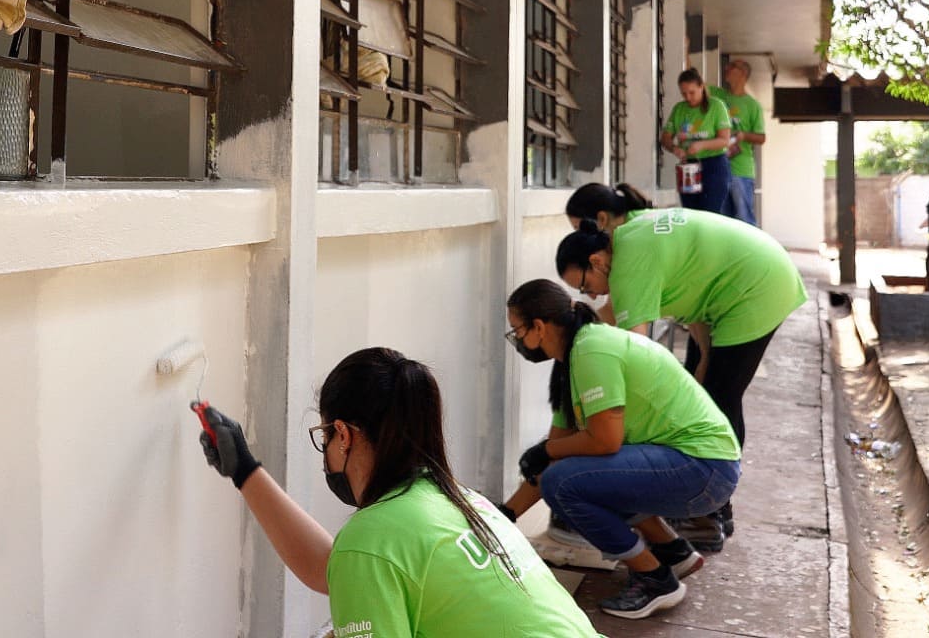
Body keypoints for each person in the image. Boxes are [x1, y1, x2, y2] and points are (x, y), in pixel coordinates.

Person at [194, 347, 602, 637]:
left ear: (342, 434)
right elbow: (332, 569)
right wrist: (245, 471)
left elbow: (359, 560)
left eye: (324, 435)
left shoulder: (374, 538)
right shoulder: (457, 500)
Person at [554, 210, 807, 550]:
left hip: (755, 286)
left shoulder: (628, 270)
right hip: (749, 272)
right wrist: (703, 358)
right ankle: (709, 509)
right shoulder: (629, 237)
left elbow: (636, 355)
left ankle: (709, 516)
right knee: (705, 391)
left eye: (585, 286)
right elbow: (694, 280)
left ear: (597, 262)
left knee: (721, 399)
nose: (593, 296)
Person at [499, 279, 740, 620]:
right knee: (571, 476)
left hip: (703, 468)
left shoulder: (592, 352)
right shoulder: (575, 355)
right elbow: (556, 454)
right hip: (703, 464)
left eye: (518, 331)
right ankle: (673, 552)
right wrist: (505, 516)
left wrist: (547, 450)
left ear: (539, 327)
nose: (518, 341)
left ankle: (655, 580)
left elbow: (603, 442)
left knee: (564, 485)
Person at [661, 69, 732, 214]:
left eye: (692, 92)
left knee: (711, 212)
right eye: (684, 93)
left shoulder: (717, 106)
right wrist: (674, 148)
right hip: (688, 165)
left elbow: (725, 140)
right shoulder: (679, 109)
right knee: (690, 212)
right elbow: (665, 138)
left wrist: (702, 145)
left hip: (714, 164)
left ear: (701, 87)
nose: (688, 97)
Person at [714, 58, 766, 226]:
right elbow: (696, 82)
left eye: (732, 66)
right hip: (719, 169)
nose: (727, 68)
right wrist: (686, 49)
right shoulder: (719, 96)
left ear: (743, 73)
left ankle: (751, 244)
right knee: (723, 221)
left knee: (744, 218)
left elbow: (761, 137)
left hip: (741, 170)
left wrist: (743, 136)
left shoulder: (752, 105)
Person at [564, 181, 653, 233]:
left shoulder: (630, 244)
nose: (580, 237)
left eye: (580, 229)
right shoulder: (644, 220)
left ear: (602, 219)